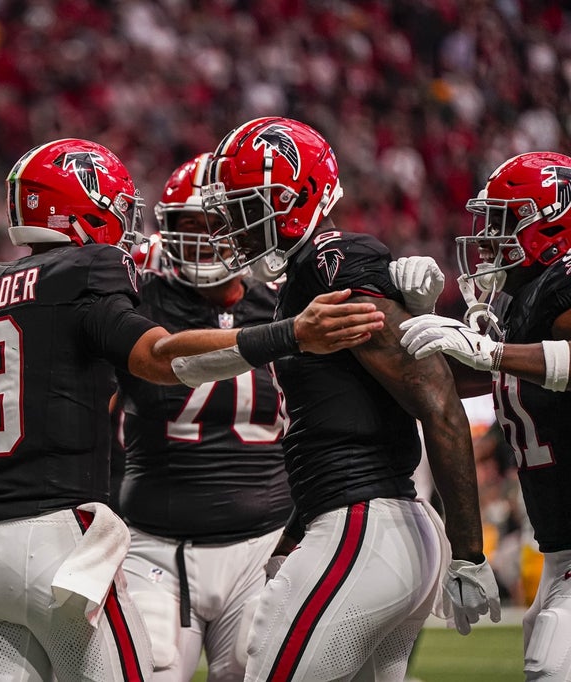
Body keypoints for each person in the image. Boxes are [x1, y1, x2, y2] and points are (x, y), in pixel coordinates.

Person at [0, 137, 386, 681]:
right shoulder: (87, 275)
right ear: (83, 211)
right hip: (64, 545)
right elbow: (160, 357)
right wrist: (288, 335)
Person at [199, 116, 500, 680]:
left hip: (364, 530)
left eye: (244, 207)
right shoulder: (304, 277)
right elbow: (340, 416)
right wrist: (293, 536)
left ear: (294, 199)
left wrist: (470, 550)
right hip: (364, 526)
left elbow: (438, 403)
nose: (234, 227)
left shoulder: (332, 259)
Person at [115, 153, 292, 682]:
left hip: (266, 544)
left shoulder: (286, 305)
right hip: (154, 547)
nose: (205, 238)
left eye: (217, 224)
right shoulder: (136, 302)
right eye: (187, 225)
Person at [398, 151, 571, 680]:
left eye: (504, 220)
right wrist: (412, 318)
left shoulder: (564, 280)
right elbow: (457, 379)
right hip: (560, 547)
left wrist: (491, 352)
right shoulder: (529, 299)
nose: (489, 238)